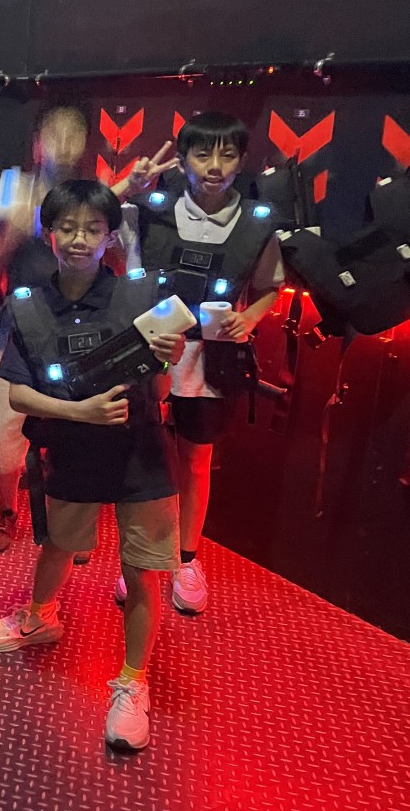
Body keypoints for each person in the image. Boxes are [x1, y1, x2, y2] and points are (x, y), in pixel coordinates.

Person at [0, 179, 186, 752]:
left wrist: (168, 359)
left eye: (93, 229)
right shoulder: (28, 304)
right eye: (67, 227)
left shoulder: (140, 296)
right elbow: (18, 393)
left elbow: (160, 390)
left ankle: (133, 681)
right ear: (48, 233)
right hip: (71, 448)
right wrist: (81, 411)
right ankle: (40, 617)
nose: (79, 239)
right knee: (57, 546)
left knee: (142, 570)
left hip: (142, 452)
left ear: (110, 235)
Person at [113, 112, 284, 613]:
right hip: (150, 351)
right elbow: (81, 220)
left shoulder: (257, 223)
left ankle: (187, 559)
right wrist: (129, 185)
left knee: (196, 460)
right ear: (183, 159)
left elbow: (270, 287)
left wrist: (249, 318)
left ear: (242, 160)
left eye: (227, 155)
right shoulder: (150, 211)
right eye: (202, 153)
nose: (214, 166)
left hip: (211, 359)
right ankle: (140, 558)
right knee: (144, 458)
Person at [0, 104, 92, 553]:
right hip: (17, 326)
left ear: (85, 143)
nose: (63, 144)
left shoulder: (92, 196)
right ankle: (6, 509)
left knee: (77, 432)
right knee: (2, 437)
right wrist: (15, 232)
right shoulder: (16, 189)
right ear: (37, 142)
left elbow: (115, 263)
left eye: (73, 134)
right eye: (53, 134)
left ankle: (72, 519)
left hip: (76, 326)